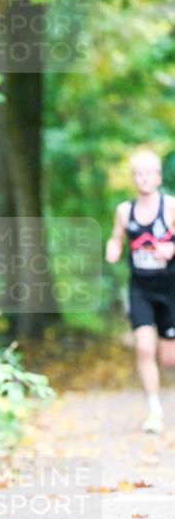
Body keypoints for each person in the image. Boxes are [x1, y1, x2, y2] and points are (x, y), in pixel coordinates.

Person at [106, 148, 175, 433]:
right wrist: (112, 249)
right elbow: (116, 239)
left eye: (149, 174)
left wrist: (171, 248)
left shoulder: (170, 206)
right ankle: (155, 411)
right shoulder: (125, 211)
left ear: (157, 177)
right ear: (134, 179)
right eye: (139, 174)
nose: (144, 179)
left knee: (167, 357)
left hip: (170, 288)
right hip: (141, 288)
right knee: (144, 349)